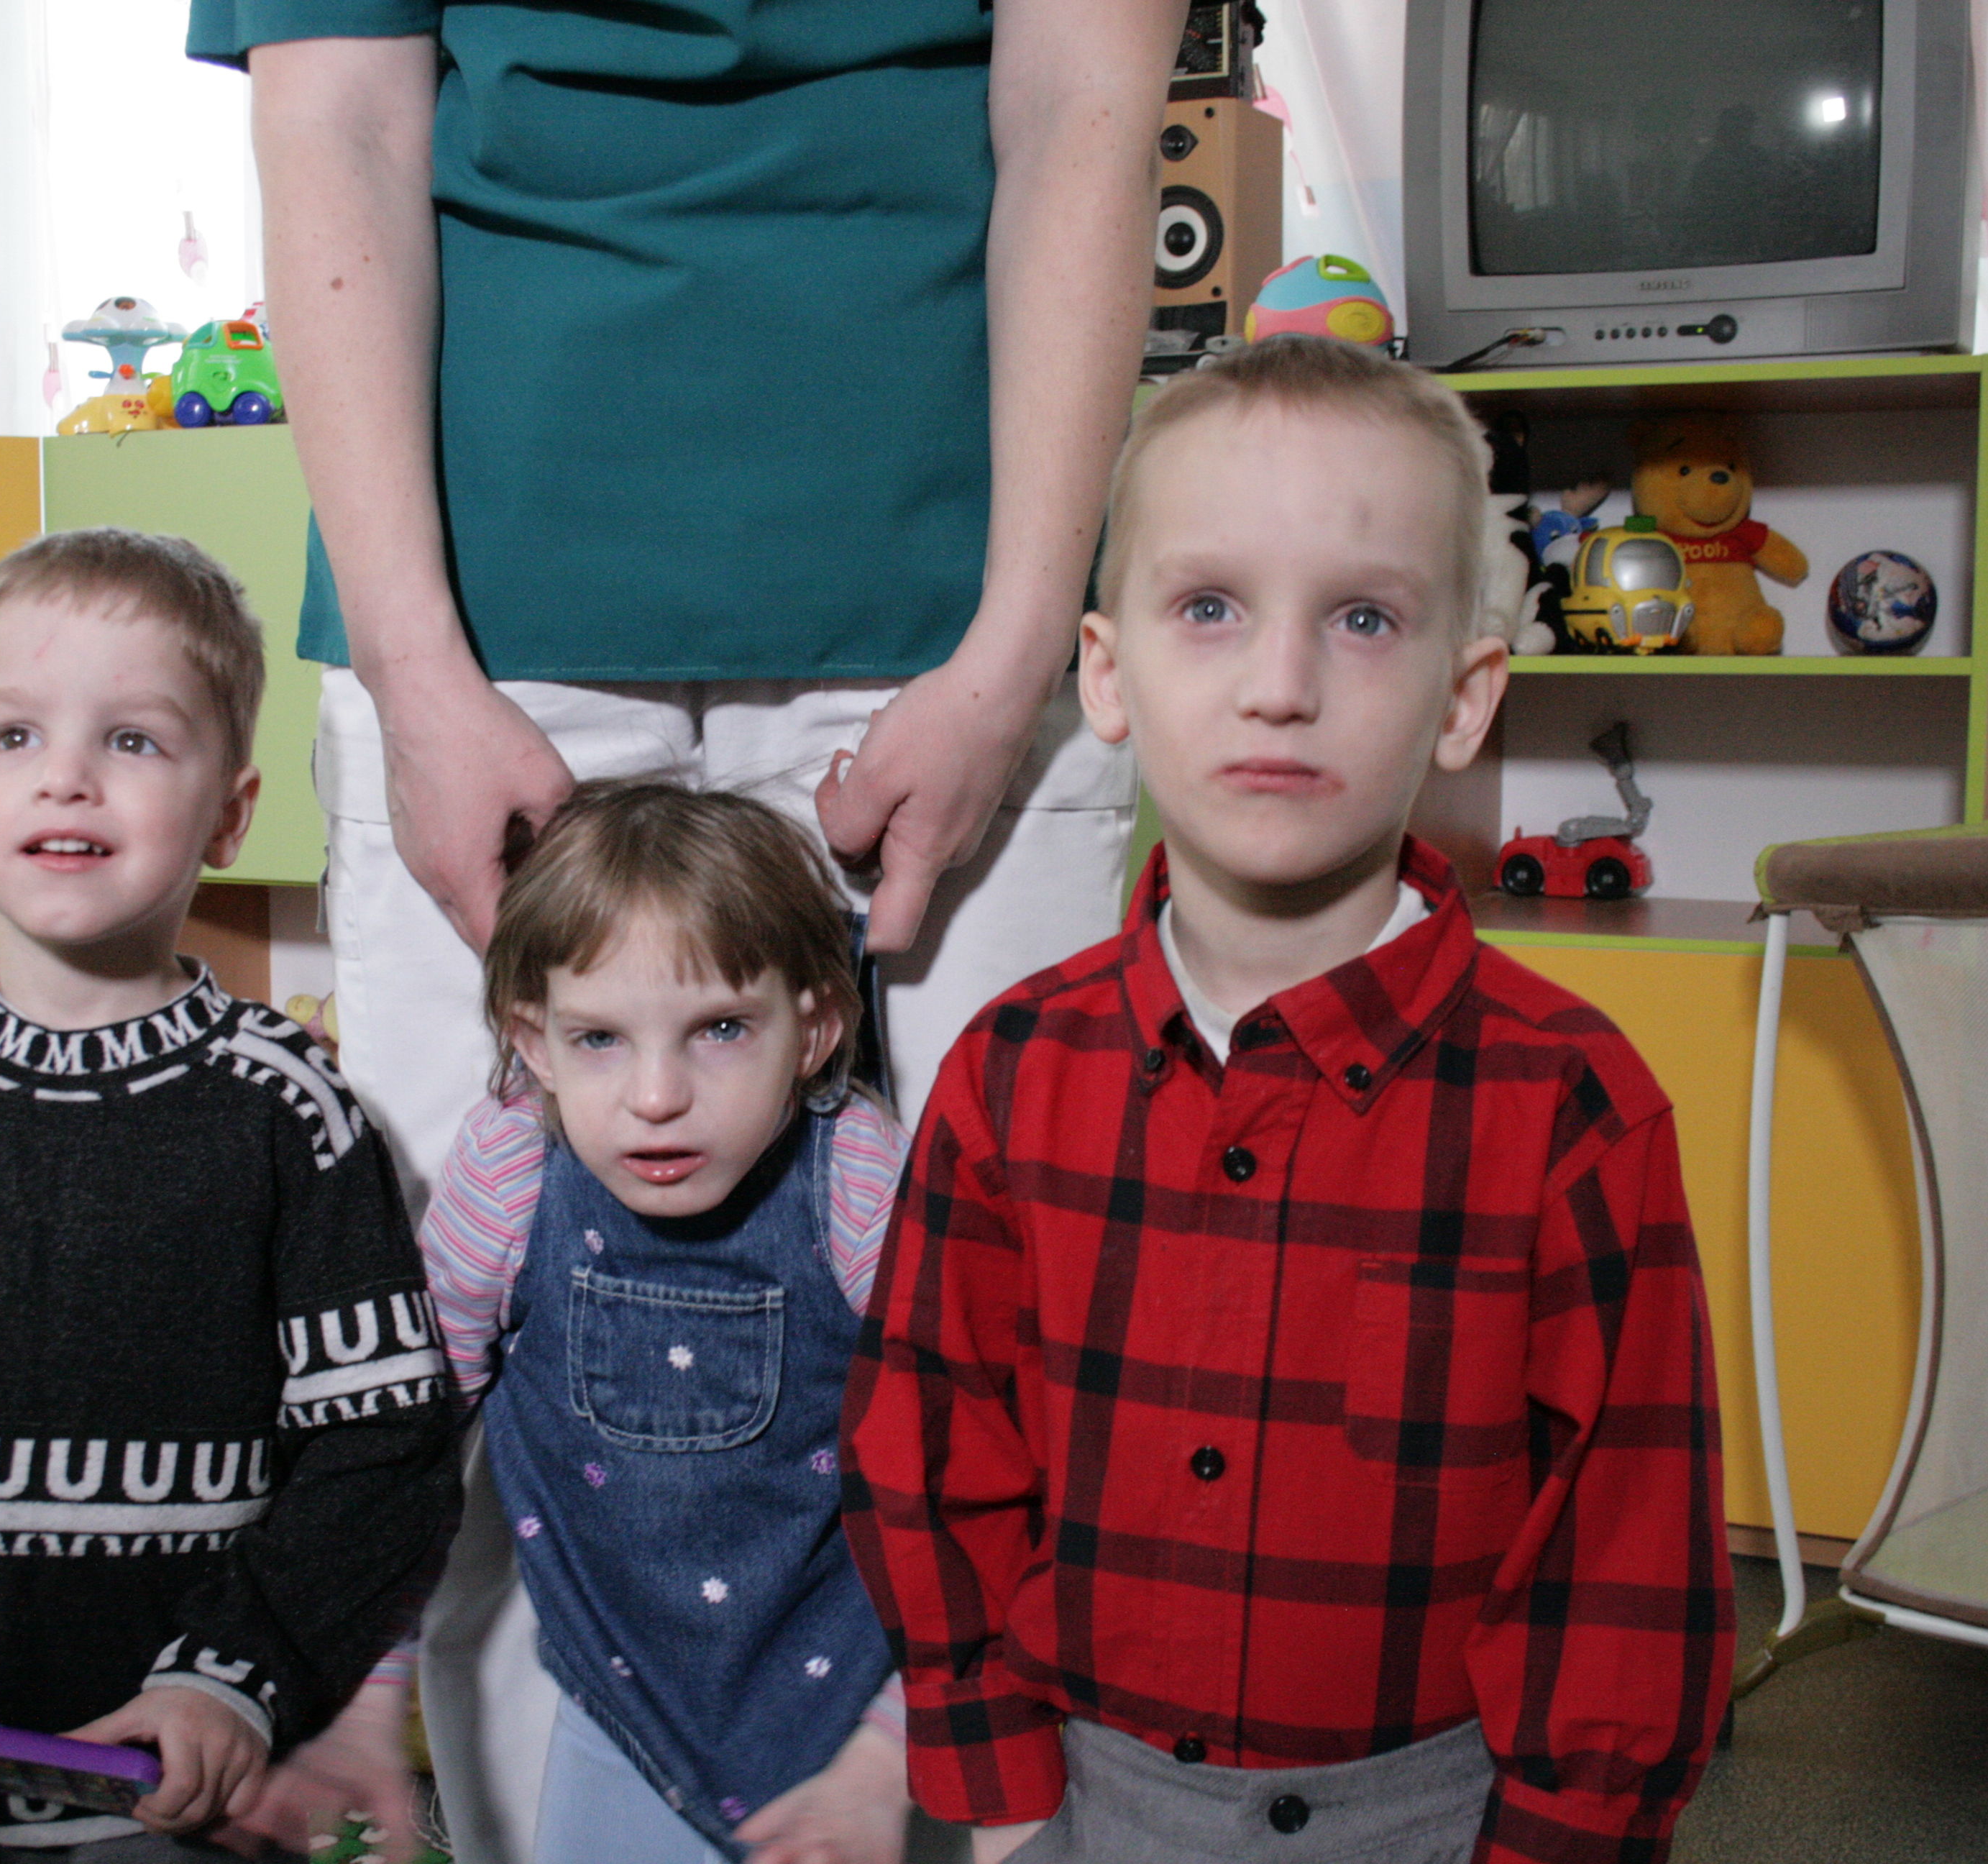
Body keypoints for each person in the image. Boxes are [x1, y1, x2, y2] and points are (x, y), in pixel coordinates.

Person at [182, 9, 1180, 1853]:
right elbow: (336, 128)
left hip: (957, 605)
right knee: (458, 1367)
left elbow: (1083, 106)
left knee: (1019, 1359)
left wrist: (1014, 650)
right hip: (487, 625)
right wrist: (414, 673)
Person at [842, 337, 1737, 1864]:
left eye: (1363, 619)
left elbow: (1624, 1546)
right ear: (1106, 674)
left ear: (1464, 698)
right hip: (1086, 1798)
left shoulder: (1572, 1105)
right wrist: (1001, 1793)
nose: (1278, 687)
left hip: (1433, 1815)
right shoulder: (1007, 1074)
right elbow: (931, 1444)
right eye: (1209, 607)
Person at [0, 529, 462, 1861]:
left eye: (132, 740)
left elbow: (383, 1446)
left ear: (229, 813)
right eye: (14, 736)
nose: (65, 774)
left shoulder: (288, 1108)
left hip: (191, 1768)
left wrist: (237, 1668)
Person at [241, 780, 918, 1864]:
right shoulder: (511, 1170)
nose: (656, 1095)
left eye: (722, 1030)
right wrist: (365, 1699)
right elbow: (403, 1447)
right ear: (536, 1043)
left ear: (816, 1029)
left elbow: (973, 1465)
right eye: (599, 1038)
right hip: (623, 1721)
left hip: (844, 1727)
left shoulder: (858, 1182)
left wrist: (889, 1752)